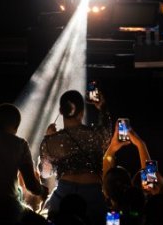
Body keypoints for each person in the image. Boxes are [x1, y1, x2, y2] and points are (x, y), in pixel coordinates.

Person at [39, 90, 111, 225]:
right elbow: (107, 128)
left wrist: (47, 138)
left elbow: (45, 173)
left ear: (61, 111)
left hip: (63, 196)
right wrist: (103, 107)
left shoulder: (51, 140)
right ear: (82, 112)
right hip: (93, 196)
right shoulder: (97, 136)